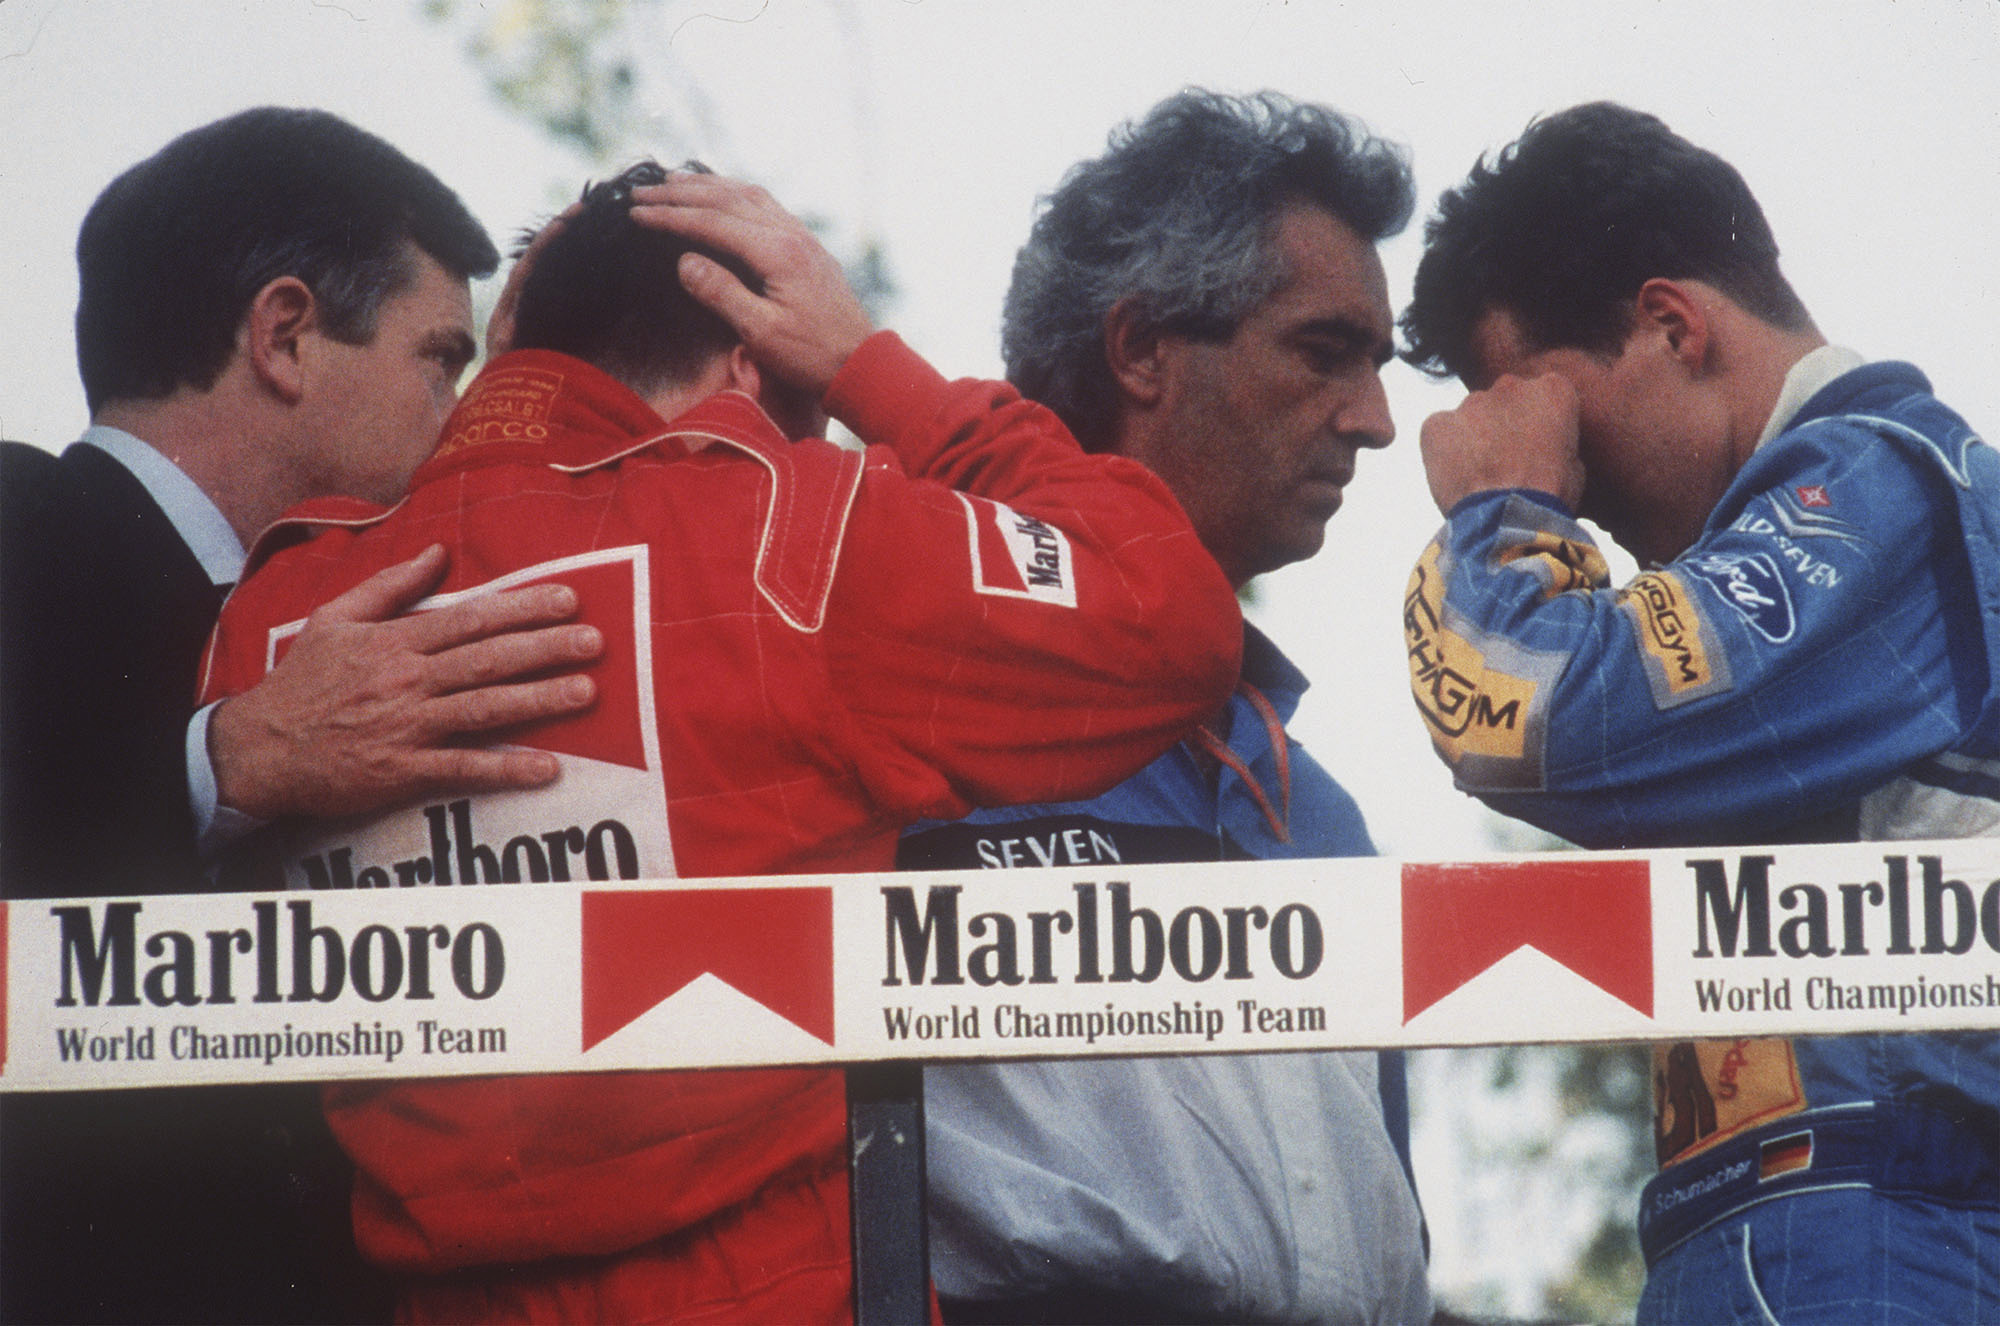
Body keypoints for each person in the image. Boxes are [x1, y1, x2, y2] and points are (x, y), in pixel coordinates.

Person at [198, 160, 1243, 1323]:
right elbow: (1172, 621)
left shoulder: (279, 613)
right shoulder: (793, 529)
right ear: (753, 361)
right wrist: (868, 368)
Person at [1400, 100, 2000, 1324]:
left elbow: (1544, 717)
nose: (1569, 473)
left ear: (1671, 324)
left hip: (1874, 1231)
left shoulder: (1877, 485)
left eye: (1548, 408)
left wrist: (1505, 505)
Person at [0, 107, 603, 1324]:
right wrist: (228, 760)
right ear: (285, 335)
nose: (461, 412)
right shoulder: (23, 529)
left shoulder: (381, 611)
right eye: (443, 360)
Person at [898, 90, 1433, 1326]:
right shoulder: (909, 699)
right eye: (1321, 349)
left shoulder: (1319, 808)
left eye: (1377, 362)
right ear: (1138, 351)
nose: (1374, 419)